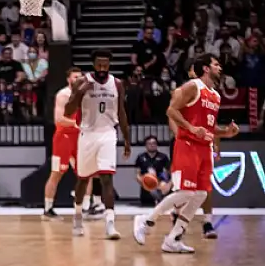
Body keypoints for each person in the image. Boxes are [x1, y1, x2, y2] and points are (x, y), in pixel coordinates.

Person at [133, 54, 239, 253]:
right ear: (206, 68)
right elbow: (171, 111)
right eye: (216, 64)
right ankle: (146, 221)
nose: (220, 68)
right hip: (188, 145)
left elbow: (210, 127)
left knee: (200, 194)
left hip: (205, 148)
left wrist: (226, 132)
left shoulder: (216, 96)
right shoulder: (192, 86)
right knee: (186, 192)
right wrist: (190, 127)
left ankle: (173, 239)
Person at [65, 49, 131, 239]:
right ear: (93, 64)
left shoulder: (117, 84)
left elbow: (121, 112)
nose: (102, 68)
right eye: (99, 64)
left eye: (106, 64)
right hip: (87, 134)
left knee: (106, 178)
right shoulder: (81, 82)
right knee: (83, 180)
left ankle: (110, 223)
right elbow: (68, 112)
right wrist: (79, 93)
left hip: (108, 133)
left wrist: (127, 140)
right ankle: (78, 216)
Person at [168, 60, 220, 238]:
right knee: (183, 187)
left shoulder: (211, 93)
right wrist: (182, 135)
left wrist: (216, 144)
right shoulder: (183, 90)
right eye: (192, 69)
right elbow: (172, 115)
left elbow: (212, 122)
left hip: (204, 143)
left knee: (205, 186)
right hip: (186, 142)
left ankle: (207, 221)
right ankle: (174, 216)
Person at [43, 67, 93, 220]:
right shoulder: (63, 95)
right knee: (57, 173)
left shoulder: (85, 95)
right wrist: (78, 123)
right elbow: (59, 119)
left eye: (80, 77)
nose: (78, 79)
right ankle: (48, 209)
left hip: (80, 137)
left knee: (87, 173)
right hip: (64, 137)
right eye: (75, 77)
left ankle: (85, 208)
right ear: (68, 79)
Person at [134, 135, 172, 206]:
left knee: (164, 183)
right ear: (146, 145)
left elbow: (169, 172)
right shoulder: (140, 157)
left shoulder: (163, 156)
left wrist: (159, 180)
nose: (152, 145)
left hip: (159, 183)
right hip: (146, 183)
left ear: (157, 145)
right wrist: (146, 180)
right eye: (149, 143)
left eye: (154, 143)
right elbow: (137, 175)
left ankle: (160, 198)